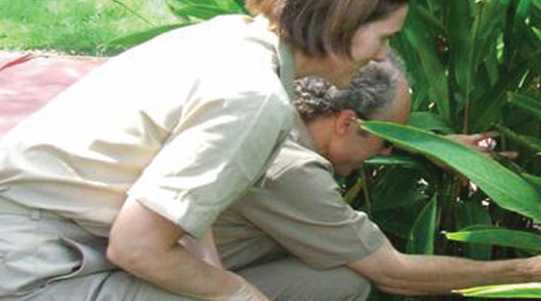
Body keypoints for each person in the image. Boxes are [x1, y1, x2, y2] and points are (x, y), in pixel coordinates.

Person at [0, 0, 408, 300]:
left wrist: (218, 283)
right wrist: (237, 295)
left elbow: (185, 202)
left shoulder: (233, 36)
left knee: (338, 284)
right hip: (38, 269)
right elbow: (137, 247)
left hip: (68, 241)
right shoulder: (255, 97)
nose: (382, 55)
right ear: (341, 24)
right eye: (384, 37)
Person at [210, 58, 541, 301]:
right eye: (384, 139)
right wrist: (527, 272)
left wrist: (434, 146)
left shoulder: (277, 104)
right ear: (346, 122)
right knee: (344, 282)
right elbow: (394, 274)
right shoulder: (295, 172)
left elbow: (355, 133)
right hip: (175, 288)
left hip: (200, 263)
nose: (387, 152)